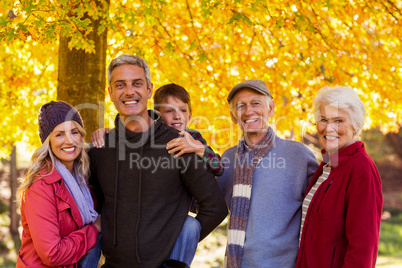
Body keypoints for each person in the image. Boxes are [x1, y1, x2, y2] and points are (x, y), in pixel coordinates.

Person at [88, 54, 228, 267]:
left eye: (137, 83)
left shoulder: (179, 145)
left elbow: (215, 208)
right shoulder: (101, 148)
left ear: (149, 89)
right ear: (110, 93)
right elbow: (92, 208)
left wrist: (177, 247)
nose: (129, 91)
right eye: (120, 85)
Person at [217, 79, 319, 267]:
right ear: (233, 116)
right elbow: (206, 202)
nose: (248, 111)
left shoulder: (298, 155)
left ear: (270, 108)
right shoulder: (229, 158)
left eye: (256, 103)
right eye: (241, 106)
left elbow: (323, 207)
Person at [296, 86, 383, 267]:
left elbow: (362, 250)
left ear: (355, 125)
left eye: (338, 120)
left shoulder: (361, 169)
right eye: (323, 120)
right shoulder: (328, 164)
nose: (329, 128)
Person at [17, 101, 102, 268]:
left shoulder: (82, 177)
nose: (69, 141)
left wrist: (108, 134)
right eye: (59, 134)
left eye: (74, 132)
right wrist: (94, 229)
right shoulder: (41, 187)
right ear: (48, 141)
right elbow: (52, 254)